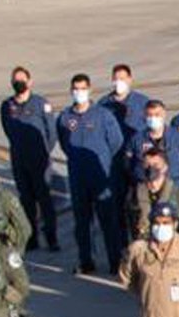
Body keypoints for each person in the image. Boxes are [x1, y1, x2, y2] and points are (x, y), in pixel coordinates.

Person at [55, 74, 128, 274]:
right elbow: (64, 144)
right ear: (71, 91)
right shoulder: (64, 118)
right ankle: (86, 260)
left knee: (108, 221)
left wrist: (103, 159)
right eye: (75, 89)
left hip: (101, 176)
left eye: (82, 88)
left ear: (90, 90)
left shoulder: (103, 115)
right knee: (82, 223)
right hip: (78, 178)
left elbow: (116, 142)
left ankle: (115, 261)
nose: (79, 92)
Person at [0, 66, 59, 251]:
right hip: (19, 160)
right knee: (26, 201)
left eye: (22, 80)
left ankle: (51, 237)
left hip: (39, 161)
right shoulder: (6, 106)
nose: (18, 83)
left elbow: (51, 133)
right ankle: (31, 237)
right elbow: (8, 130)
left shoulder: (41, 104)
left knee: (44, 199)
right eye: (15, 80)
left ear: (30, 82)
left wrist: (43, 151)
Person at [126, 150, 179, 242]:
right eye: (147, 165)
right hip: (146, 248)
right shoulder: (134, 194)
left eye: (156, 165)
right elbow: (129, 224)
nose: (151, 168)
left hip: (174, 248)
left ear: (165, 167)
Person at [99, 63, 150, 137]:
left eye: (122, 79)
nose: (118, 82)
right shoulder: (103, 103)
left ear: (130, 79)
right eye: (116, 79)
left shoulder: (142, 102)